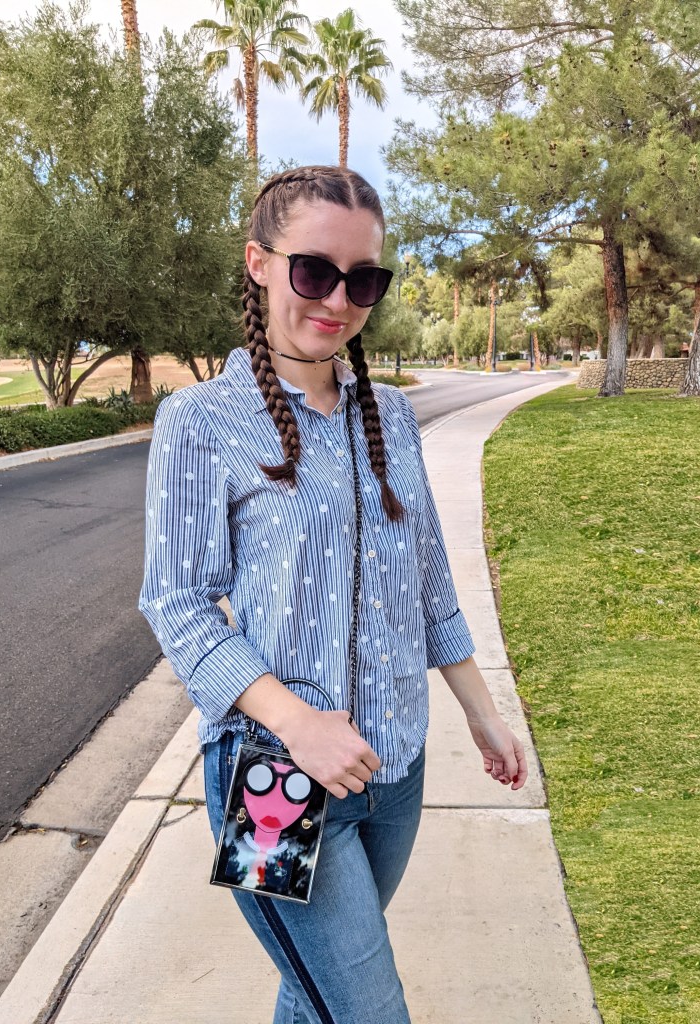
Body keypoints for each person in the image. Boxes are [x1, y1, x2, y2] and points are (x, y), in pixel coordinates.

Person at [139, 165, 528, 1024]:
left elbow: (425, 574)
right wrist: (299, 724)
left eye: (365, 280)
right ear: (259, 262)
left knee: (314, 994)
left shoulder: (388, 414)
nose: (338, 299)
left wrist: (478, 709)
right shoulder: (200, 421)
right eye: (315, 270)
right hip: (271, 777)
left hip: (396, 770)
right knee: (367, 1010)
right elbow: (176, 601)